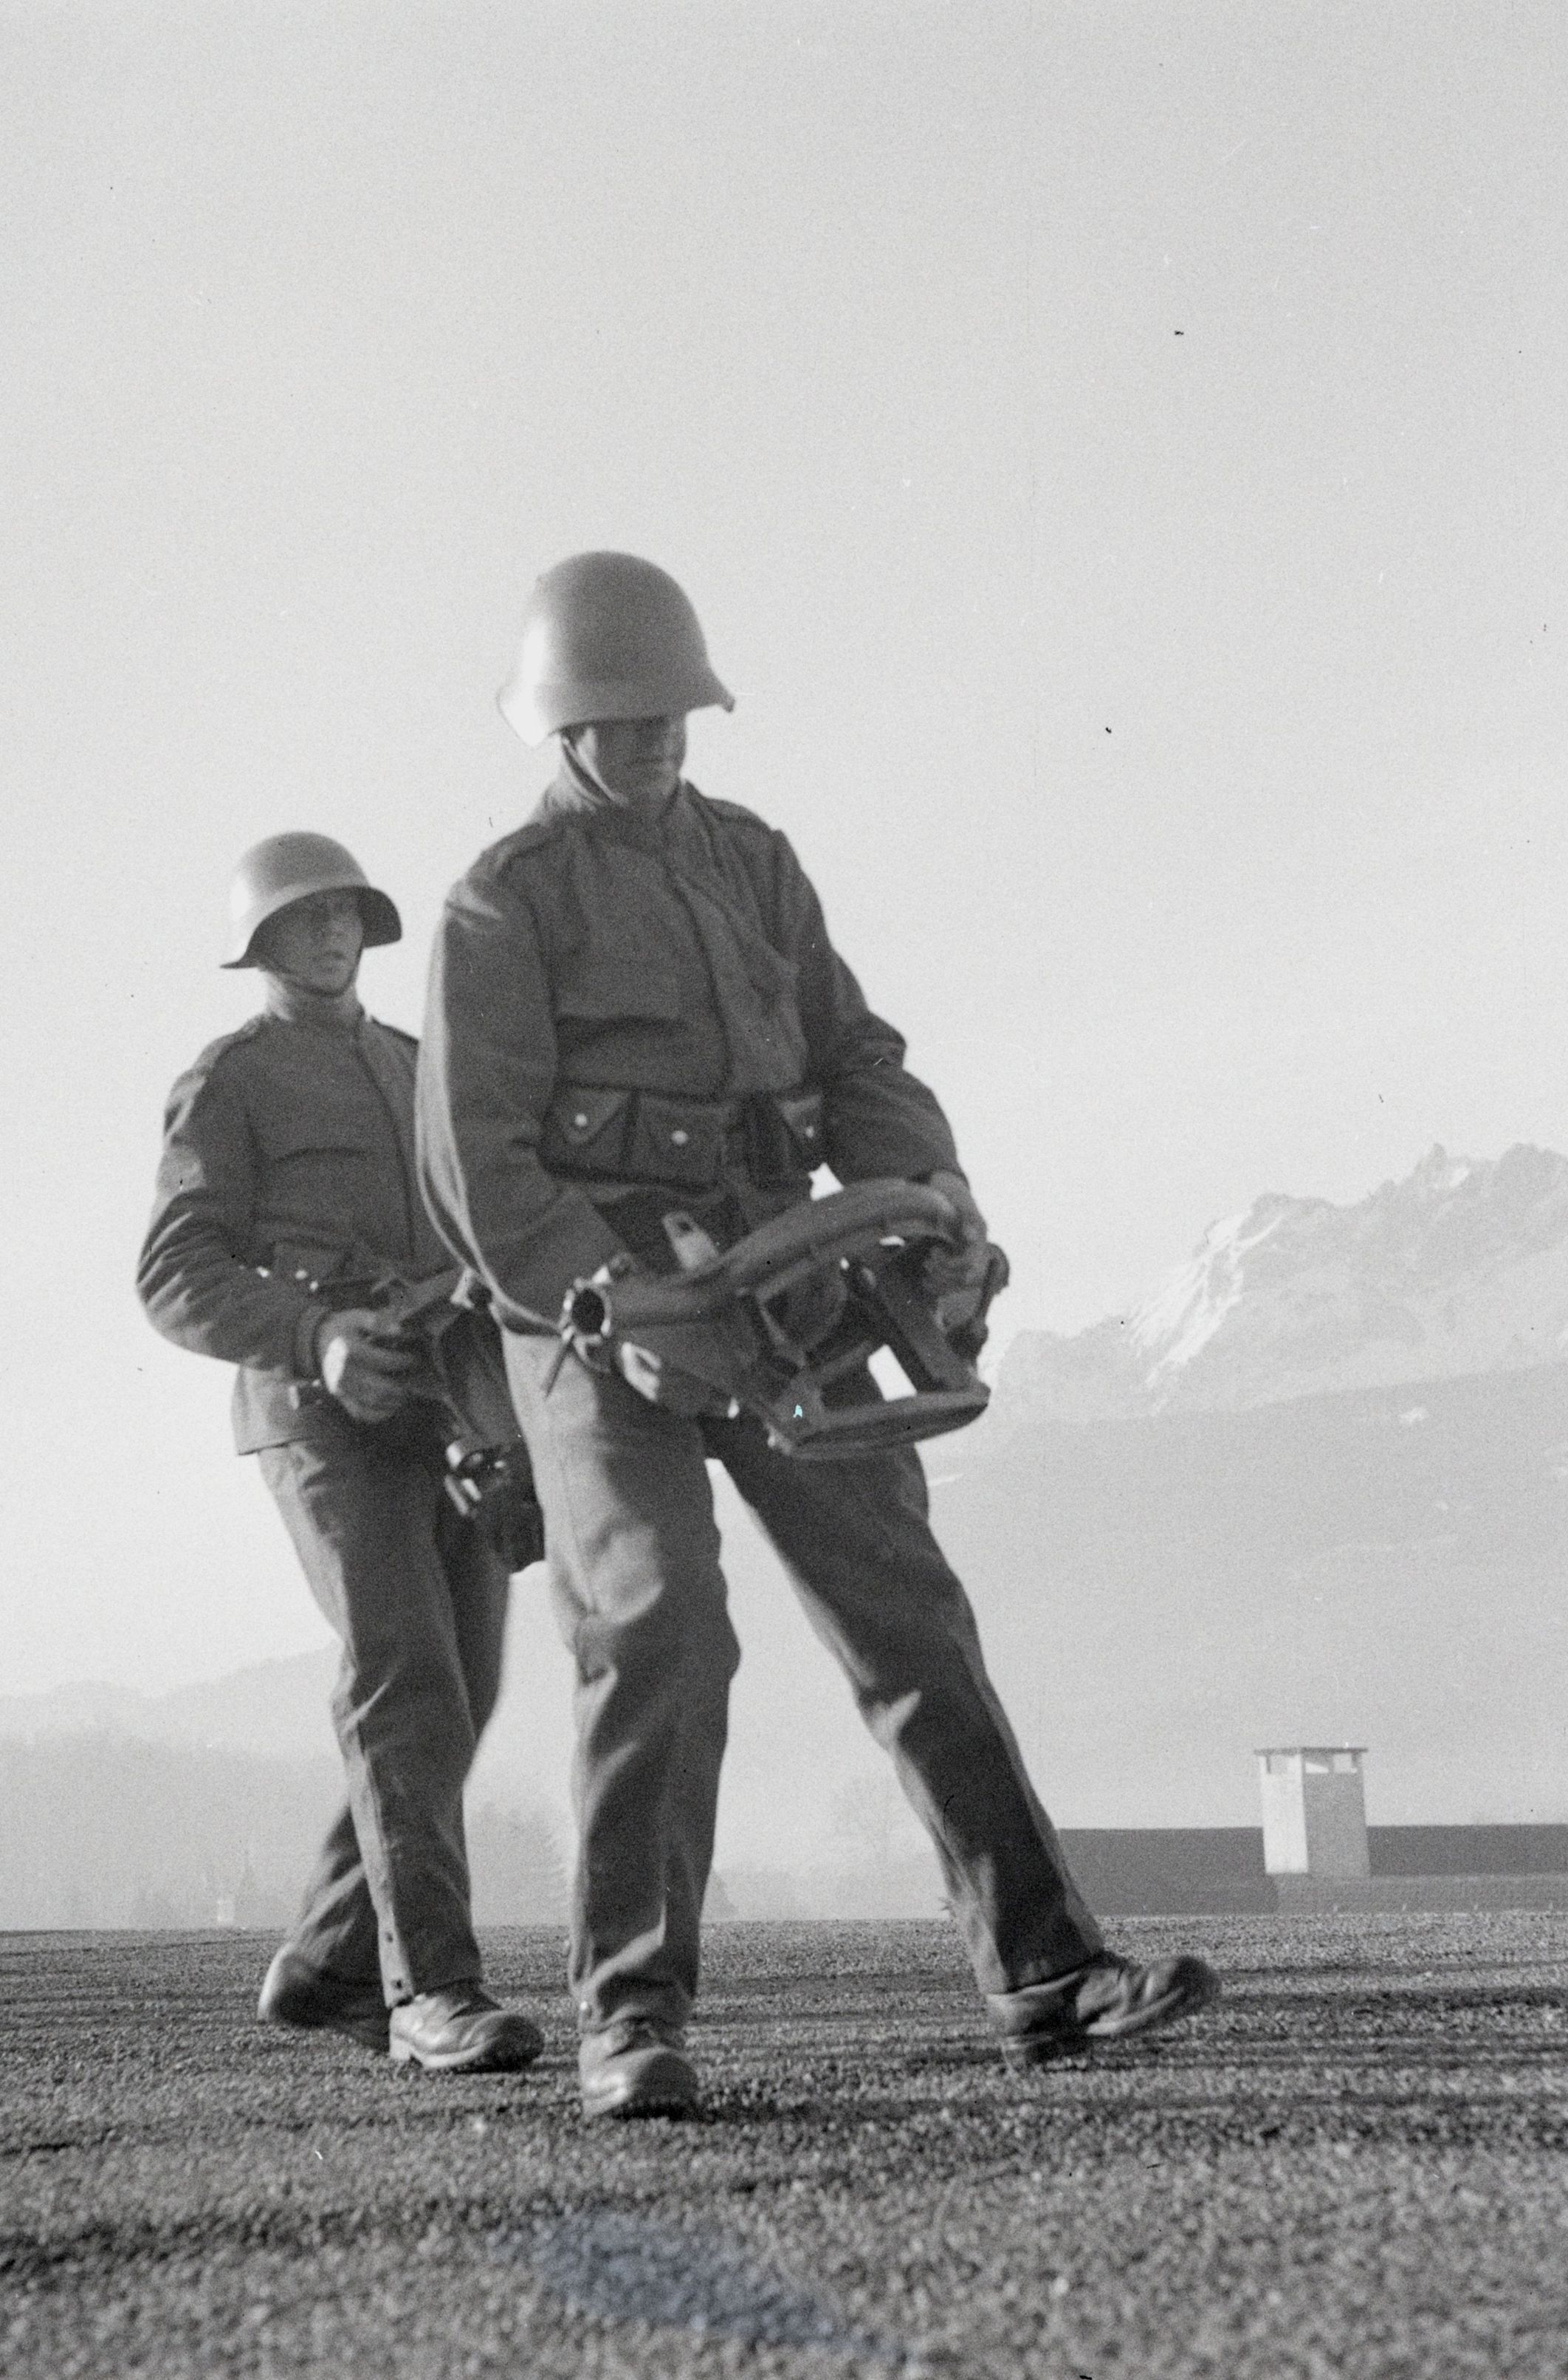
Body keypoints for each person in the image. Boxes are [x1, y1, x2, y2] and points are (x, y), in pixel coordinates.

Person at [418, 553, 1220, 2116]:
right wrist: (610, 1301)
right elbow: (474, 1163)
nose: (653, 735)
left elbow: (853, 1053)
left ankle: (1047, 1970)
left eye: (671, 709)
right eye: (620, 715)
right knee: (656, 1619)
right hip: (590, 1313)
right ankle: (628, 2017)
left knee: (903, 1602)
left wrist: (930, 1184)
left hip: (782, 1278)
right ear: (559, 722)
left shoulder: (754, 861)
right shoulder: (498, 901)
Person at [137, 833, 542, 2075]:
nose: (328, 932)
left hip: (449, 1401)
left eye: (345, 913)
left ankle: (325, 1959)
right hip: (320, 1413)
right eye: (302, 916)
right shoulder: (231, 1080)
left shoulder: (421, 1065)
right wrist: (313, 1336)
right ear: (259, 940)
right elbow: (174, 1270)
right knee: (404, 1673)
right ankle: (432, 1989)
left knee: (465, 1687)